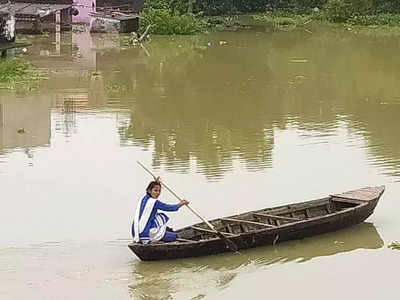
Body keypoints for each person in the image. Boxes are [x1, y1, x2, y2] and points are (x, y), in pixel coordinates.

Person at [132, 178, 189, 244]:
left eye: (159, 191)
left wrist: (156, 183)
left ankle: (158, 238)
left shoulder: (144, 198)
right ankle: (154, 241)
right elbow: (169, 208)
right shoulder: (154, 202)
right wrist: (181, 204)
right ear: (149, 191)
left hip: (136, 232)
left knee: (168, 229)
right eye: (155, 190)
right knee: (175, 236)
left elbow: (151, 190)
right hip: (147, 233)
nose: (158, 193)